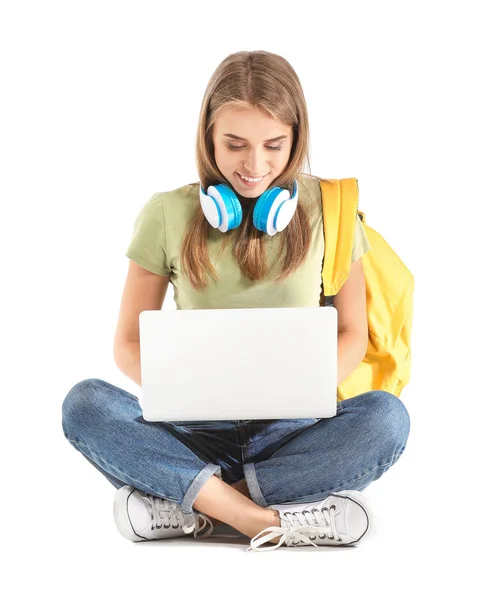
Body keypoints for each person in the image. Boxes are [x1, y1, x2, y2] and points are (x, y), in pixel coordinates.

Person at [61, 50, 410, 553]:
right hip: (192, 431)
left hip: (293, 434)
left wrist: (303, 388)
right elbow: (128, 342)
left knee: (387, 418)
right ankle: (261, 518)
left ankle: (197, 505)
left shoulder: (330, 210)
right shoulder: (166, 213)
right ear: (208, 136)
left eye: (274, 145)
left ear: (296, 139)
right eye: (236, 144)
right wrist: (185, 389)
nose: (255, 165)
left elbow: (353, 331)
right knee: (86, 403)